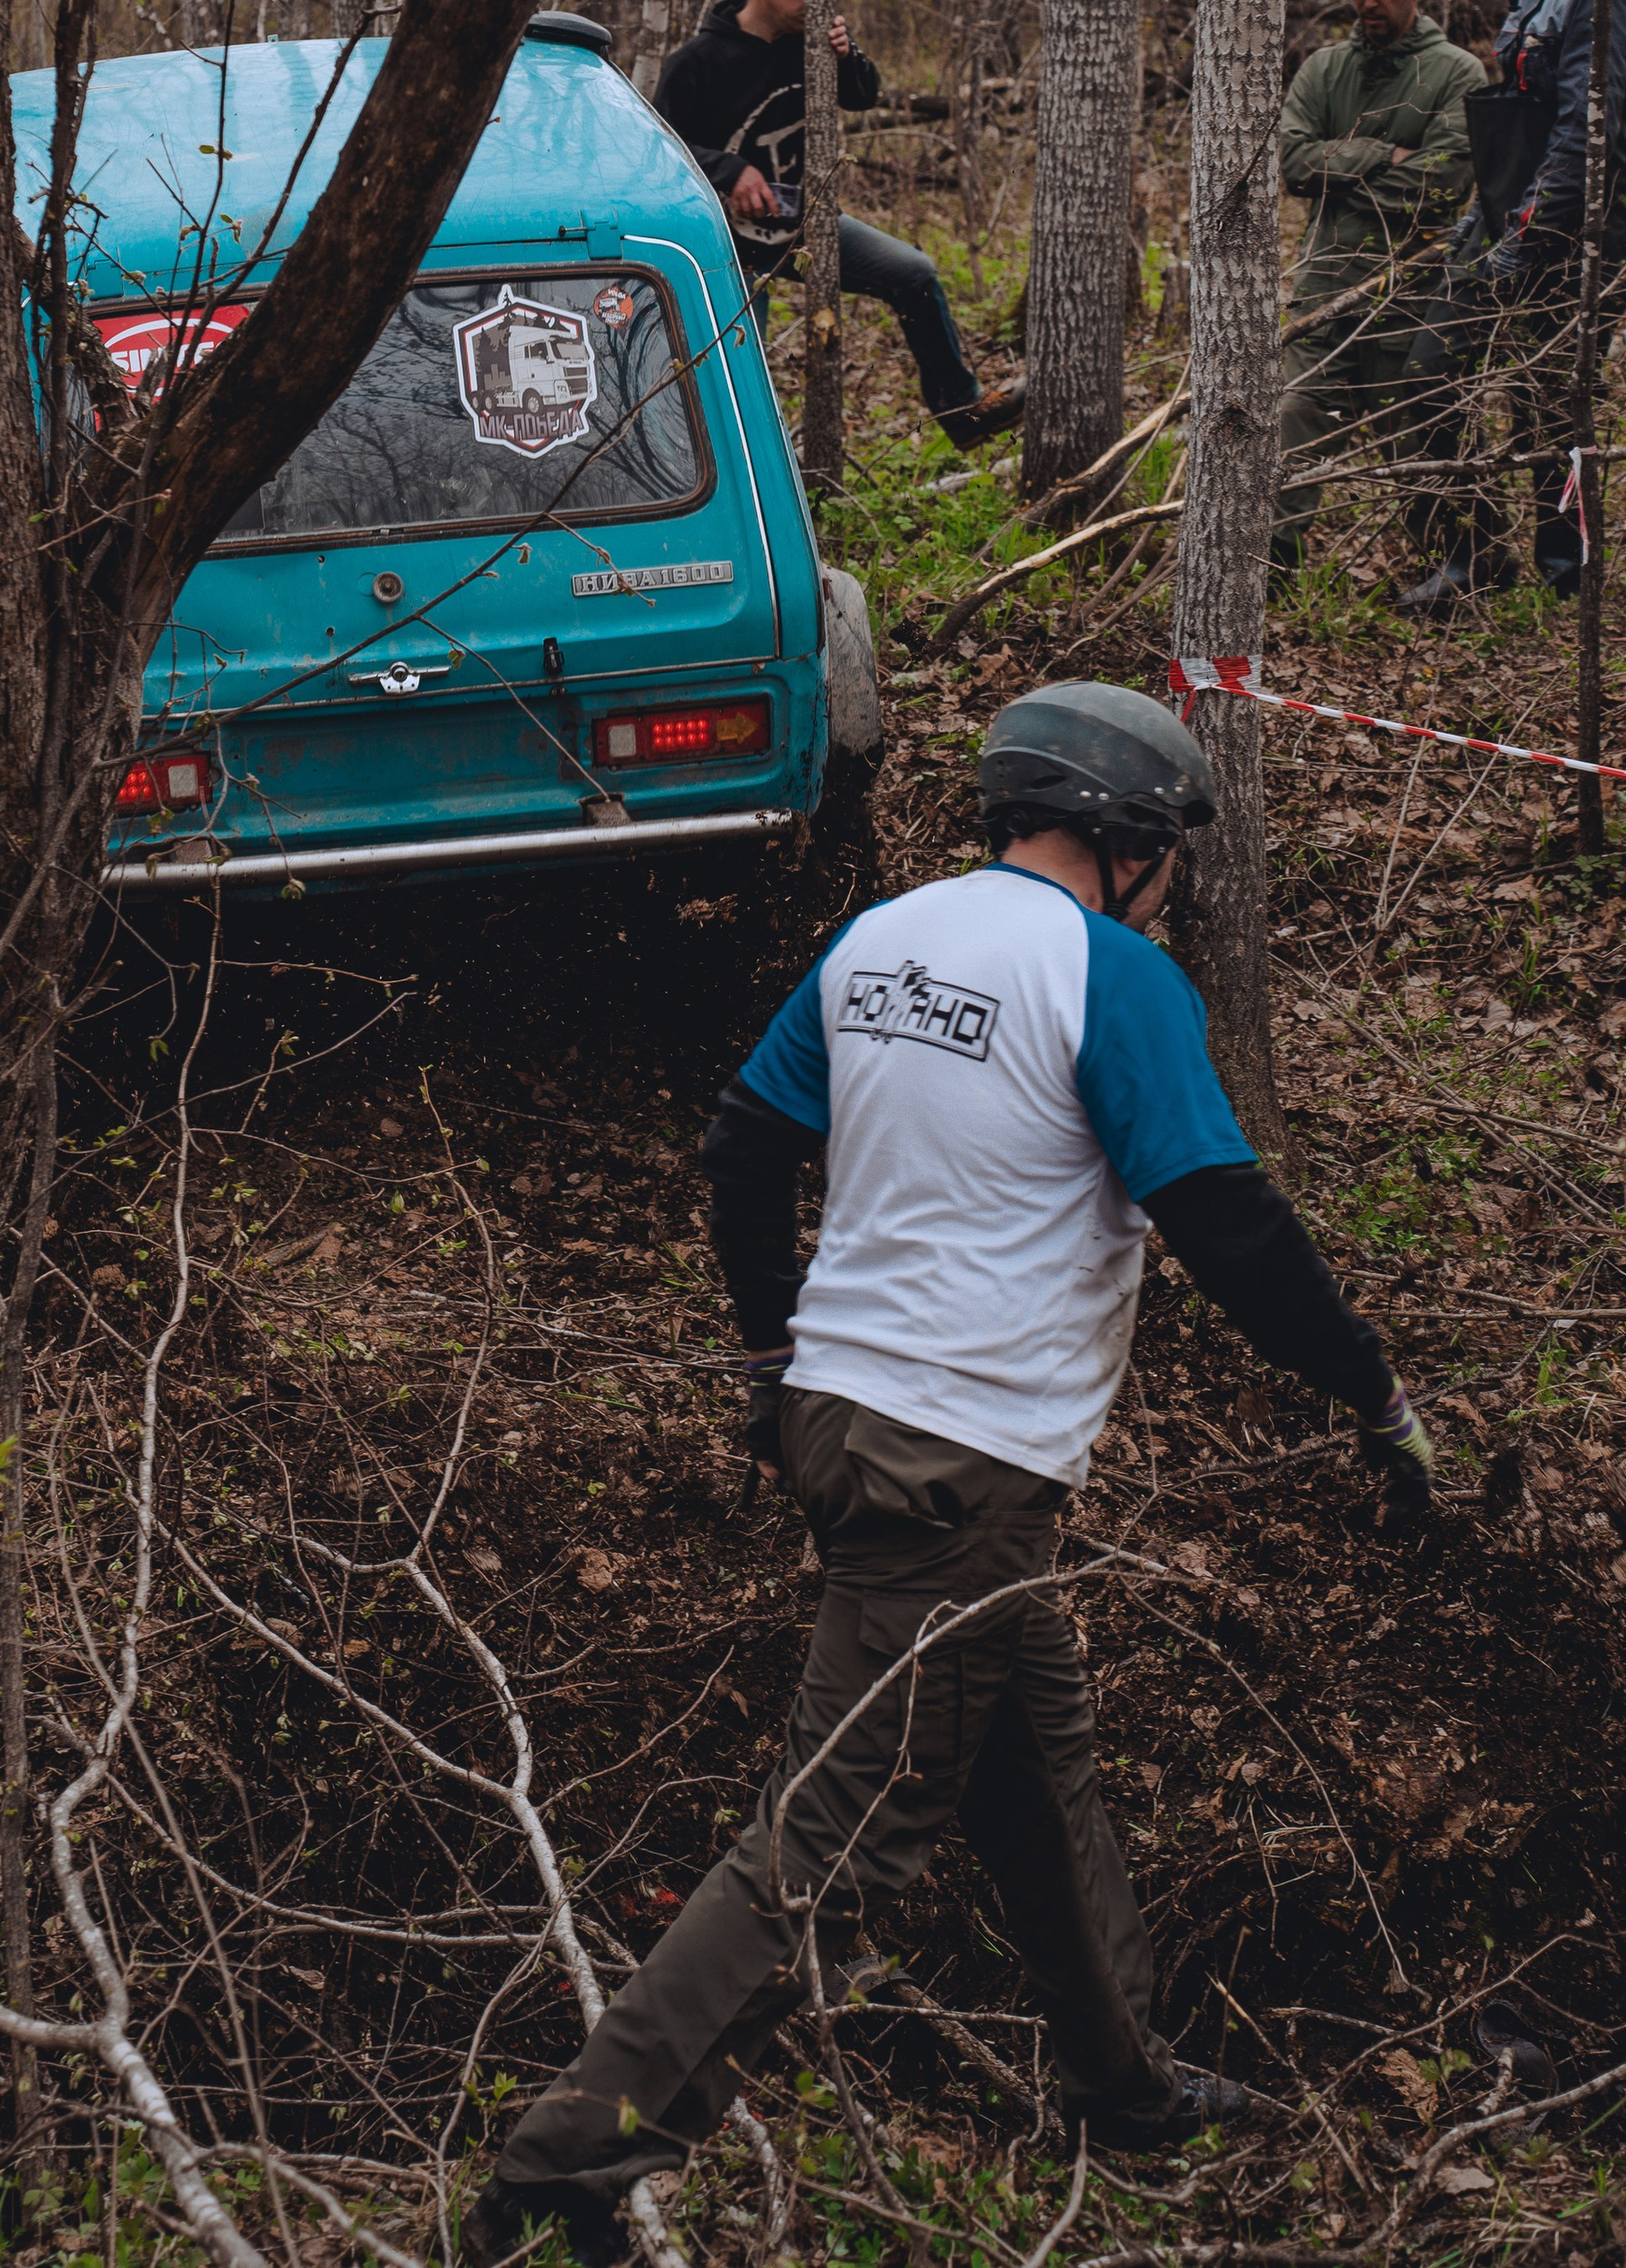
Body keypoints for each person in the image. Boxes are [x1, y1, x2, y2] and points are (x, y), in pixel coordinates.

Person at [461, 683, 1434, 2266]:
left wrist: (779, 1358)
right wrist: (1372, 1394)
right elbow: (1224, 1219)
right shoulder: (1110, 974)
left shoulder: (882, 939)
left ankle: (1126, 2092)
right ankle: (560, 2172)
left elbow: (742, 1146)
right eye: (1170, 852)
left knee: (1035, 1764)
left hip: (852, 1423)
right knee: (829, 1850)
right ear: (1125, 846)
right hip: (959, 1460)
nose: (1172, 882)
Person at [1397, 0, 1626, 616]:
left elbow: (1586, 135)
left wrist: (1532, 234)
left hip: (1581, 237)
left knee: (1550, 406)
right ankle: (1473, 557)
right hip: (1508, 224)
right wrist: (1483, 220)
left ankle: (1564, 574)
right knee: (1430, 373)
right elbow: (1519, 125)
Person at [653, 0, 1012, 449]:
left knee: (914, 274)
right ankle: (746, 478)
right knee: (742, 365)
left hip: (807, 224)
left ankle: (962, 414)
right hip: (727, 244)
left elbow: (863, 96)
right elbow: (660, 151)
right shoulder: (696, 63)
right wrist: (728, 170)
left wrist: (847, 57)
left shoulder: (813, 44)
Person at [1272, 0, 1484, 571]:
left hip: (1411, 300)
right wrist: (1382, 156)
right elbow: (1292, 163)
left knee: (1419, 444)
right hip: (1323, 294)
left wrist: (1343, 178)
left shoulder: (1458, 75)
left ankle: (1472, 565)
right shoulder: (1325, 68)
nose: (1369, 1)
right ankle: (1270, 568)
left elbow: (1441, 188)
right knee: (1290, 419)